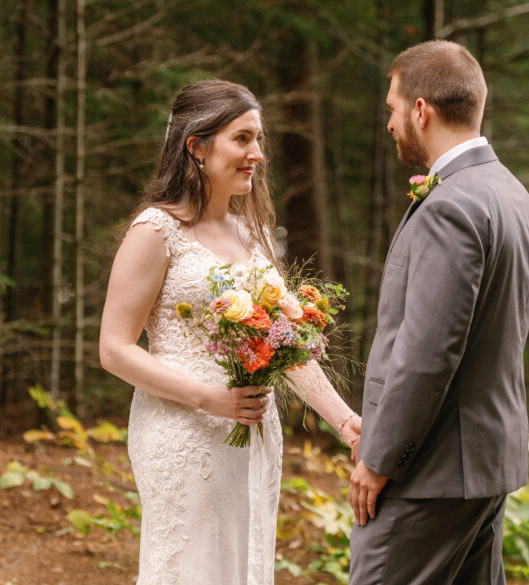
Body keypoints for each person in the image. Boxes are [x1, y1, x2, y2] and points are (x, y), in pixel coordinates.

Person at [98, 79, 362, 585]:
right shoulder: (155, 231)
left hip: (253, 433)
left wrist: (344, 420)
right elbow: (113, 349)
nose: (256, 154)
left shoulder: (252, 233)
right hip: (182, 431)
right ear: (197, 146)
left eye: (258, 140)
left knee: (242, 566)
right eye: (242, 139)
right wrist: (209, 398)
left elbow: (289, 343)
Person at [348, 40, 529, 585]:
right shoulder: (510, 192)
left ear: (421, 110)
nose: (389, 123)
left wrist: (380, 459)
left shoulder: (451, 205)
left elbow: (428, 354)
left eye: (391, 108)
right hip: (483, 464)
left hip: (431, 472)